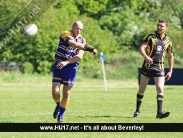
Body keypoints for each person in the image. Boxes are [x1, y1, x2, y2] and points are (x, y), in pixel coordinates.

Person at [52, 21, 97, 123]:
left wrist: (66, 62)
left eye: (81, 29)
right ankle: (59, 106)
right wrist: (92, 49)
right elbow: (75, 44)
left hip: (71, 67)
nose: (79, 31)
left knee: (66, 94)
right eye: (77, 28)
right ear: (72, 27)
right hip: (59, 64)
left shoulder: (82, 39)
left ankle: (61, 117)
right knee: (55, 92)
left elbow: (79, 56)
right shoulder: (66, 34)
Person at [133, 19, 174, 118]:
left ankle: (159, 112)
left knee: (160, 88)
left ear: (166, 28)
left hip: (159, 68)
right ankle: (137, 111)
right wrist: (146, 57)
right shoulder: (150, 37)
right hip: (147, 67)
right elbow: (141, 48)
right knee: (142, 89)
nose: (159, 27)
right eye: (158, 25)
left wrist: (170, 71)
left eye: (161, 26)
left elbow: (170, 56)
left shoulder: (169, 42)